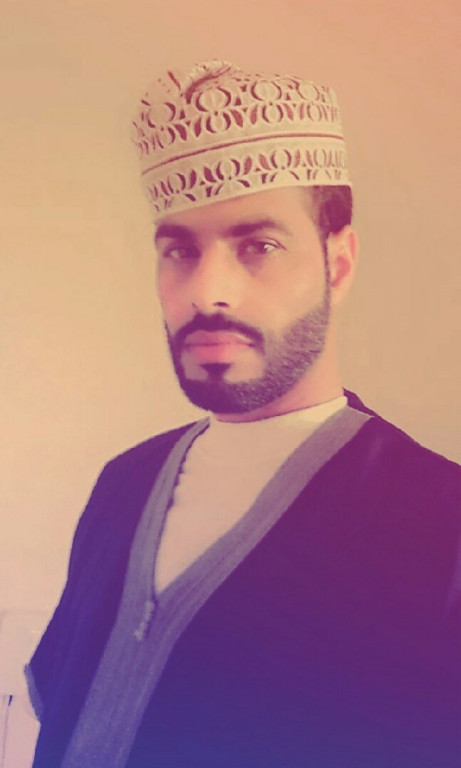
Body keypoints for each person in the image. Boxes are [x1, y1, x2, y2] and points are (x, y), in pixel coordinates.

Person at [26, 61, 460, 768]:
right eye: (179, 250)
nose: (208, 292)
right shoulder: (122, 484)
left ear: (338, 263)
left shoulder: (441, 527)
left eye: (258, 246)